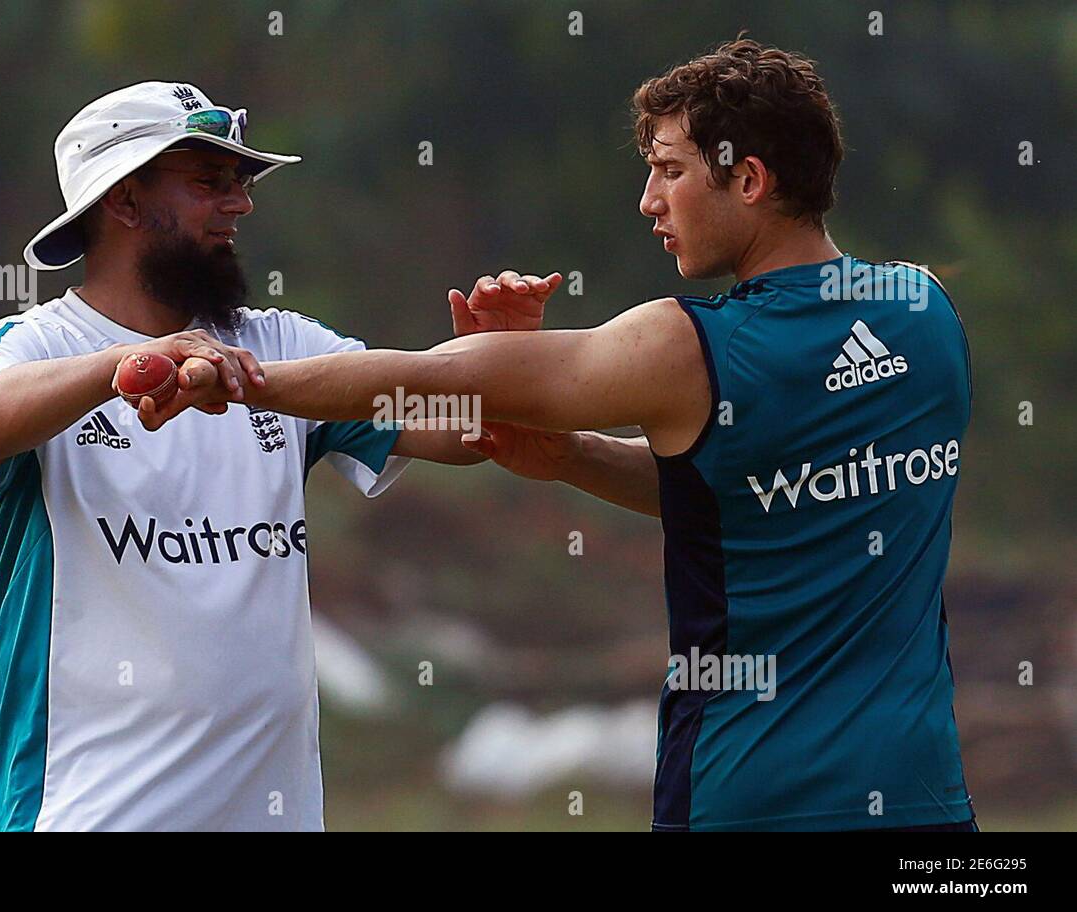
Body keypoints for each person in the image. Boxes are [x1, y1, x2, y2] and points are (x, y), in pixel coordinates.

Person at [164, 40, 978, 831]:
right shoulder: (924, 310)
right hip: (926, 799)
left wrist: (247, 378)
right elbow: (764, 493)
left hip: (750, 794)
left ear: (751, 179)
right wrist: (573, 455)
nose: (649, 201)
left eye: (670, 171)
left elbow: (440, 375)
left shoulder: (689, 347)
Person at [0, 81, 526, 831]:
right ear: (123, 201)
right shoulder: (32, 347)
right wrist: (124, 364)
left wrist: (507, 358)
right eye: (209, 183)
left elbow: (462, 430)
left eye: (241, 183)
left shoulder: (283, 346)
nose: (240, 205)